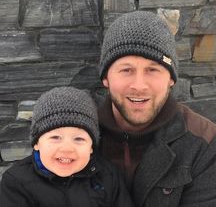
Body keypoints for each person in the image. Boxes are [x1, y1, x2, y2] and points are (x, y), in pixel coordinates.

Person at [98, 11, 216, 207]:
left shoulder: (205, 144)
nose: (139, 85)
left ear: (170, 78)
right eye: (126, 70)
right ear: (106, 78)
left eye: (152, 70)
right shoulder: (74, 135)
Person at [0, 87, 134, 207]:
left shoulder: (107, 176)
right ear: (37, 143)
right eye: (55, 137)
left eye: (79, 139)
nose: (67, 148)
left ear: (91, 147)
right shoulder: (16, 181)